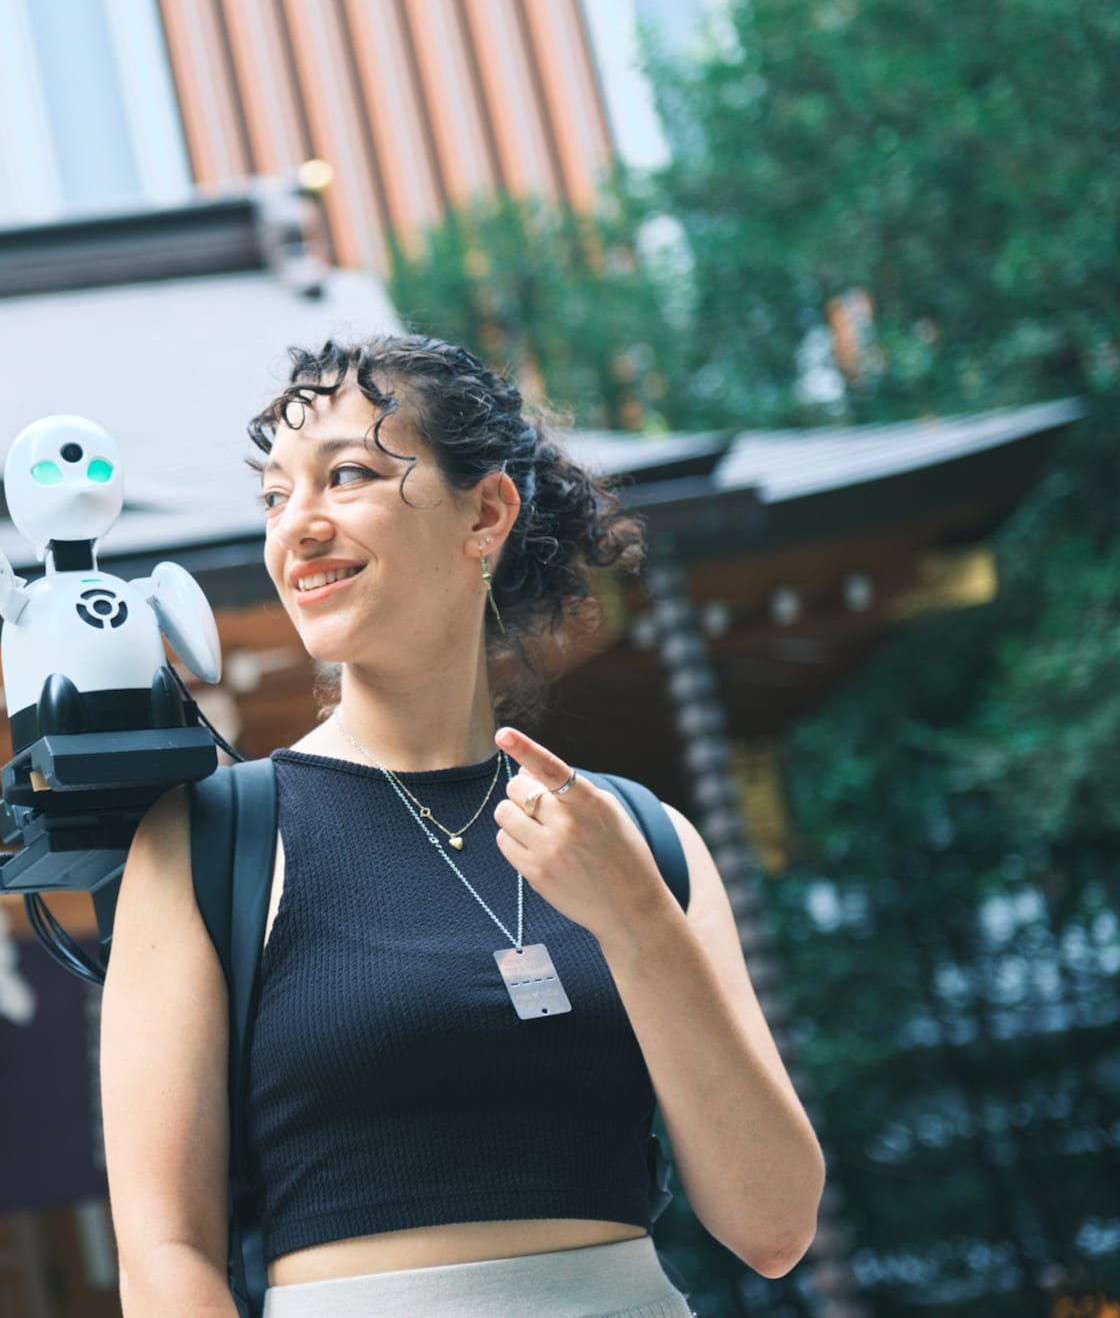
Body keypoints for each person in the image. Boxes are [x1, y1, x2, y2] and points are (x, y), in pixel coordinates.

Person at [100, 335, 824, 1316]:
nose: (295, 529)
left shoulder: (637, 838)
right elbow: (162, 1254)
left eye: (345, 475)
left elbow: (772, 1225)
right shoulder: (209, 843)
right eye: (276, 497)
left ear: (482, 512)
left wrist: (633, 920)